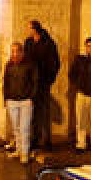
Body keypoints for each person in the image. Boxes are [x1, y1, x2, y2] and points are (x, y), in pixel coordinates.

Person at [23, 20, 60, 151]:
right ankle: (34, 138)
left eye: (29, 28)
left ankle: (46, 139)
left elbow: (55, 63)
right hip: (32, 82)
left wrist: (49, 79)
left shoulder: (48, 43)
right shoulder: (28, 42)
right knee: (32, 111)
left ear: (35, 29)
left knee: (44, 111)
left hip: (44, 81)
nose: (28, 30)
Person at [1, 42, 38, 164]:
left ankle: (25, 154)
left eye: (17, 51)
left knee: (24, 128)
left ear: (22, 52)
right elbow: (5, 82)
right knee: (16, 128)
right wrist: (6, 98)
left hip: (25, 101)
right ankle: (18, 150)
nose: (15, 54)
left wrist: (31, 97)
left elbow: (35, 82)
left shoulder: (30, 65)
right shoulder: (9, 65)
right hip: (12, 101)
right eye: (13, 51)